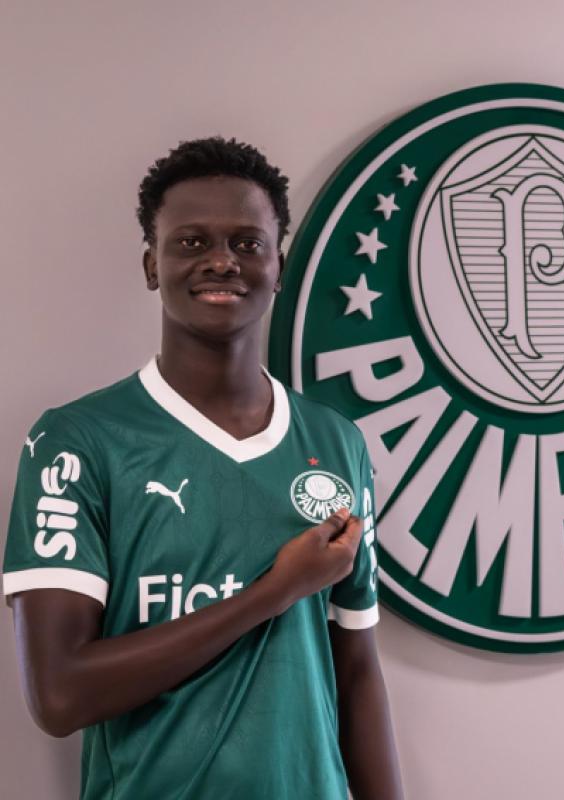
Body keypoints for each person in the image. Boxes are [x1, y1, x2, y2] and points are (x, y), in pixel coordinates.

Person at [3, 137, 403, 799]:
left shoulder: (335, 443)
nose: (221, 260)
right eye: (191, 242)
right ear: (151, 265)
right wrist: (275, 591)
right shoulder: (76, 442)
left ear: (279, 266)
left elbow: (357, 673)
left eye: (247, 243)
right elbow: (61, 695)